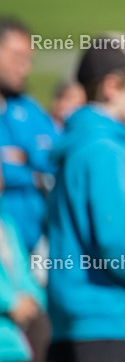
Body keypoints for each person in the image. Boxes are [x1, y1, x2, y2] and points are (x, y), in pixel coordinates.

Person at [46, 42, 125, 362]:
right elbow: (117, 240)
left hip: (75, 322)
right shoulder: (106, 149)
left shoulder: (81, 142)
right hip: (106, 323)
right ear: (112, 86)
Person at [0, 18, 59, 254]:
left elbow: (53, 160)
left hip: (35, 245)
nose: (24, 69)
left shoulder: (29, 108)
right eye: (16, 58)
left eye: (28, 60)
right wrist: (32, 175)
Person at [0, 181, 45, 362]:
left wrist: (33, 298)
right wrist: (10, 303)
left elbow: (23, 267)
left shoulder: (6, 221)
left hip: (15, 344)